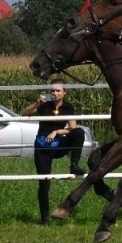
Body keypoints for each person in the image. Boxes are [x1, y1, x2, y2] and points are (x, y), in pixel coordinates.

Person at [22, 80, 84, 224]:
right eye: (53, 91)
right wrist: (36, 103)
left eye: (58, 91)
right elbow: (24, 113)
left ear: (64, 92)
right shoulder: (44, 105)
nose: (55, 93)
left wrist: (56, 131)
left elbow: (72, 128)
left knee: (79, 133)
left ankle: (74, 164)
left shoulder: (68, 107)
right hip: (43, 145)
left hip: (58, 143)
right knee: (44, 182)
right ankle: (45, 218)